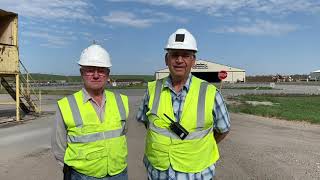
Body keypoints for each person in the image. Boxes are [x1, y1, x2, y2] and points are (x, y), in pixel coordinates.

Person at [136, 28, 230, 180]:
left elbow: (223, 130)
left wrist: (199, 146)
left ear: (193, 61)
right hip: (158, 173)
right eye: (174, 55)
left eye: (186, 55)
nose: (179, 60)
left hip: (197, 174)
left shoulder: (210, 93)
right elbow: (148, 124)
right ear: (167, 59)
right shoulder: (153, 89)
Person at [51, 44, 129, 180]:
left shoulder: (121, 101)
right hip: (82, 176)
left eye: (101, 70)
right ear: (81, 73)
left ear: (108, 74)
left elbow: (123, 133)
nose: (96, 75)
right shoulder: (66, 105)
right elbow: (59, 147)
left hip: (118, 173)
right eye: (90, 70)